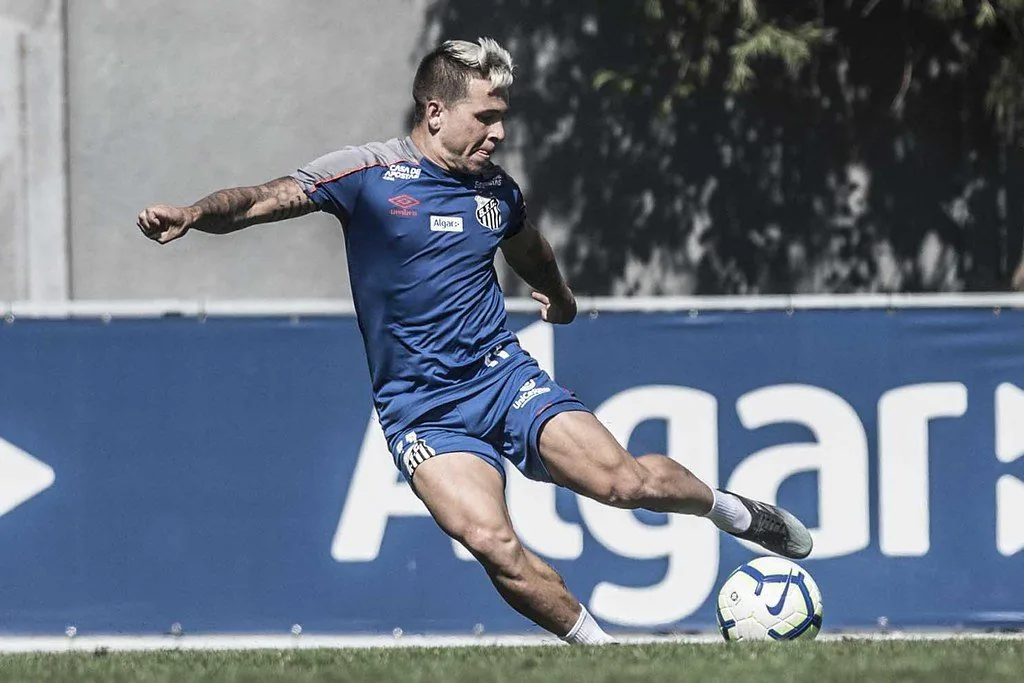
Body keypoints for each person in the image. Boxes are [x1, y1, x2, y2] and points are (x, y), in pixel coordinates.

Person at [138, 37, 813, 645]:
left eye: (502, 117)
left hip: (502, 378)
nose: (499, 132)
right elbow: (262, 199)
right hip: (421, 410)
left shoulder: (496, 191)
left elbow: (526, 245)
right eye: (485, 117)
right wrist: (194, 214)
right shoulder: (368, 174)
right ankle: (607, 656)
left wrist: (558, 293)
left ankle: (732, 511)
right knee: (491, 541)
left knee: (625, 483)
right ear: (435, 112)